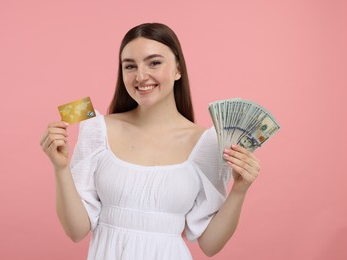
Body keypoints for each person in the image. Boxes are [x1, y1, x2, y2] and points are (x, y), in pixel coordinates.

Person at [40, 23, 261, 260]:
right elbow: (76, 231)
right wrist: (60, 168)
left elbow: (210, 244)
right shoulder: (97, 129)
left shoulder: (207, 144)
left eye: (154, 62)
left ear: (178, 69)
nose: (141, 76)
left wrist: (239, 190)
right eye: (130, 66)